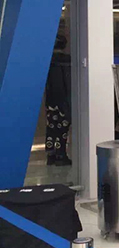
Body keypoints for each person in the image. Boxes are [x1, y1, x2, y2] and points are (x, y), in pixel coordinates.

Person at [45, 34, 72, 166]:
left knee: (51, 126)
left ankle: (50, 155)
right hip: (64, 99)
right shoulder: (67, 61)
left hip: (50, 100)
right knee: (63, 128)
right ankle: (61, 154)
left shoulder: (47, 61)